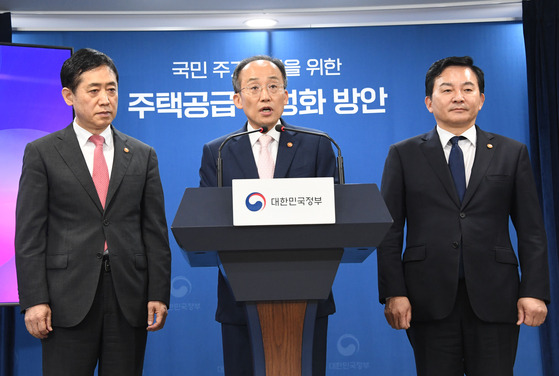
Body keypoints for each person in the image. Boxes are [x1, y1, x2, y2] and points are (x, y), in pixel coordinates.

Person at [377, 56, 550, 376]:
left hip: (497, 296)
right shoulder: (403, 154)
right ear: (429, 102)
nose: (458, 96)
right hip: (426, 298)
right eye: (447, 89)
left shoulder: (511, 153)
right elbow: (389, 231)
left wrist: (534, 290)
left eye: (468, 89)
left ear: (481, 99)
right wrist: (394, 292)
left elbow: (531, 231)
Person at [15, 48, 172, 376]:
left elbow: (154, 231)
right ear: (69, 96)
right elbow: (29, 235)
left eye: (112, 89)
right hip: (64, 301)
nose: (105, 99)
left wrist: (158, 293)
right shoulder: (42, 153)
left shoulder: (142, 155)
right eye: (94, 90)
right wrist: (34, 299)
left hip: (128, 299)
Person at [199, 55, 336, 376]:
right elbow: (208, 220)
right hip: (239, 296)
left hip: (307, 291)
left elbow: (336, 218)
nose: (265, 95)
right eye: (255, 87)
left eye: (274, 87)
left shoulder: (317, 145)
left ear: (286, 96)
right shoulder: (218, 151)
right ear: (237, 99)